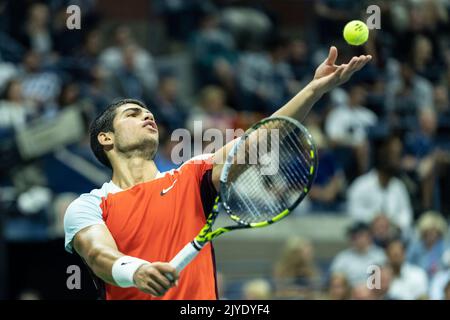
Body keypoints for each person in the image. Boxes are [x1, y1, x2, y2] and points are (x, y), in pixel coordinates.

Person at [63, 47, 371, 300]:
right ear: (106, 138)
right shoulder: (89, 206)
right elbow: (98, 255)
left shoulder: (191, 176)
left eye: (149, 113)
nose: (147, 116)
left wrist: (314, 89)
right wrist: (136, 272)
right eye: (133, 114)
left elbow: (261, 137)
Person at [330, 222, 386, 286]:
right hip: (349, 293)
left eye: (362, 235)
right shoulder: (342, 257)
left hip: (374, 291)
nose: (359, 239)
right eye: (355, 236)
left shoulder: (379, 255)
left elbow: (384, 279)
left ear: (370, 237)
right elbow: (335, 279)